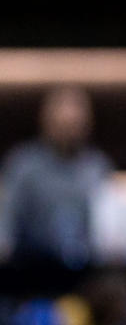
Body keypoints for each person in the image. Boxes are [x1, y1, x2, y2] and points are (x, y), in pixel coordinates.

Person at [0, 87, 112, 271]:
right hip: (31, 267)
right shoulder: (24, 166)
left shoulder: (97, 166)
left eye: (75, 125)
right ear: (46, 122)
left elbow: (108, 228)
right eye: (63, 126)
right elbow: (6, 221)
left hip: (88, 270)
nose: (69, 132)